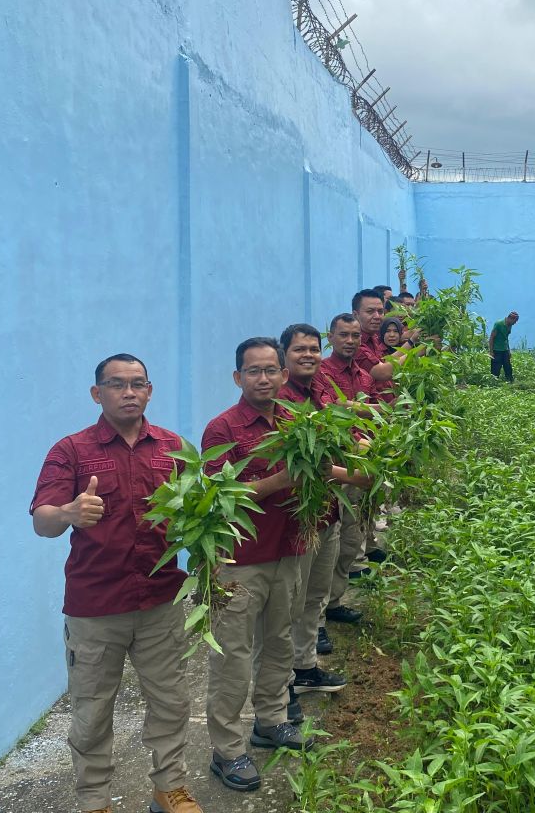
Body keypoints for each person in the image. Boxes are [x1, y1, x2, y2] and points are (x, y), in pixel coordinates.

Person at [29, 354, 204, 813]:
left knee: (171, 702)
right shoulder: (70, 451)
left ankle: (170, 789)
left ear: (150, 391)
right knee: (91, 712)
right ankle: (95, 802)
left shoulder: (174, 448)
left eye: (137, 384)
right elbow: (42, 522)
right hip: (95, 607)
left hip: (160, 602)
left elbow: (204, 516)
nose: (129, 392)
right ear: (97, 394)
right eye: (117, 384)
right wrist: (68, 513)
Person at [199, 338, 312, 793]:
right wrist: (280, 481)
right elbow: (217, 499)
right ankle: (226, 750)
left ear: (284, 375)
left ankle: (271, 720)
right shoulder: (221, 429)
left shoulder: (297, 422)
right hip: (240, 559)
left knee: (280, 640)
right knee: (232, 654)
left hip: (289, 550)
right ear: (237, 377)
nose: (263, 379)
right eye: (253, 371)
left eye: (271, 370)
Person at [278, 324, 354, 700]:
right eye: (298, 350)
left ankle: (305, 667)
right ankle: (281, 683)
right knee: (292, 602)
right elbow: (308, 468)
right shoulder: (280, 402)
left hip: (327, 514)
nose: (308, 355)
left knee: (315, 596)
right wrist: (359, 474)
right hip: (297, 522)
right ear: (284, 357)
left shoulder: (318, 393)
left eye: (313, 348)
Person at [317, 314, 378, 624]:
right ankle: (318, 618)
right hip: (333, 468)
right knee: (329, 541)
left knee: (350, 540)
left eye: (355, 335)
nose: (351, 340)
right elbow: (331, 410)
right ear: (331, 336)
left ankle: (335, 601)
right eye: (344, 335)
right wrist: (371, 410)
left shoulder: (364, 377)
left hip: (359, 469)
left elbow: (375, 419)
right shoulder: (322, 373)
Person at [488, 311, 519, 382]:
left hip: (504, 350)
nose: (515, 323)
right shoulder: (498, 324)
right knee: (495, 369)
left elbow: (506, 338)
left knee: (508, 367)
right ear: (510, 319)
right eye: (515, 321)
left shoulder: (510, 325)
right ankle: (494, 383)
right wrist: (491, 352)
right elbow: (491, 338)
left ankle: (510, 382)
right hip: (496, 350)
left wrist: (508, 350)